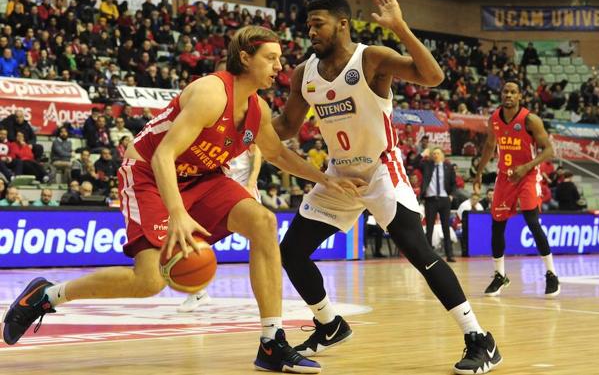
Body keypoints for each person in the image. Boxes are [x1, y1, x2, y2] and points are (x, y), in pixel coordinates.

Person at [2, 26, 366, 374]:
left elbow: (278, 154)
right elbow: (162, 155)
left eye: (279, 59)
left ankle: (271, 341)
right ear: (245, 58)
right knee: (150, 282)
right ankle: (47, 295)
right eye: (271, 58)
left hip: (203, 178)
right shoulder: (211, 93)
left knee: (264, 222)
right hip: (149, 174)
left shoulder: (256, 109)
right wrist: (176, 212)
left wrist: (326, 180)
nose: (279, 66)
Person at [272, 0, 501, 374]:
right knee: (292, 250)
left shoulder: (371, 58)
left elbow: (433, 76)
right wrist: (242, 125)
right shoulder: (304, 73)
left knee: (418, 251)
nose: (310, 31)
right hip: (339, 175)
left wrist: (399, 27)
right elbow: (287, 127)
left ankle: (479, 338)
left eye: (319, 23)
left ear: (342, 24)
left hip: (380, 170)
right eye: (308, 24)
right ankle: (330, 324)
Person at [474, 79, 560, 298]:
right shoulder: (494, 118)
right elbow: (489, 146)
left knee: (532, 221)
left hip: (528, 175)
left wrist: (527, 167)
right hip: (505, 176)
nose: (509, 95)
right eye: (505, 92)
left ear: (520, 96)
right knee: (497, 225)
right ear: (501, 95)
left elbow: (549, 150)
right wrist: (479, 171)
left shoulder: (530, 120)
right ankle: (499, 275)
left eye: (513, 92)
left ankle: (551, 274)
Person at [178, 144, 263, 313]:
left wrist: (251, 183)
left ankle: (267, 295)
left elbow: (257, 154)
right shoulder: (210, 132)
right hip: (220, 191)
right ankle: (197, 292)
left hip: (242, 190)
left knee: (261, 244)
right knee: (192, 237)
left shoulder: (243, 126)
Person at [416, 147, 457, 262]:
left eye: (438, 153)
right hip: (430, 200)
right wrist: (423, 153)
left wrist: (451, 196)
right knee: (429, 228)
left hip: (444, 200)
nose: (435, 155)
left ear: (443, 155)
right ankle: (428, 256)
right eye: (433, 153)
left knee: (446, 228)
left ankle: (450, 254)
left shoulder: (448, 167)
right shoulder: (427, 165)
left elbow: (454, 184)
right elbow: (414, 163)